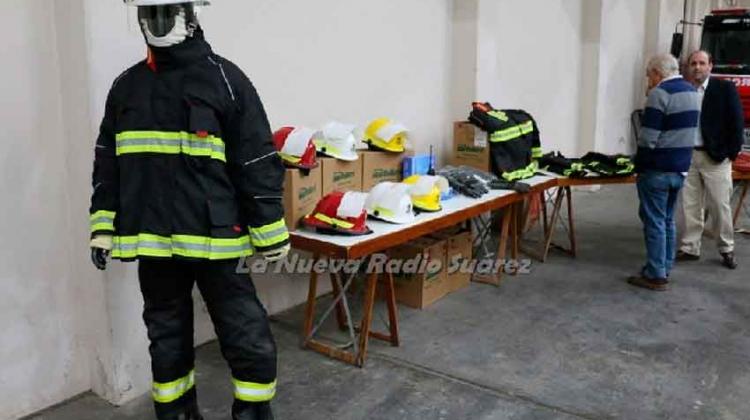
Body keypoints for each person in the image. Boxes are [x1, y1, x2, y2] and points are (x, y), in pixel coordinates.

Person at [88, 1, 289, 419]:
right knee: (165, 332)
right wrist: (102, 227)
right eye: (149, 13)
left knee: (242, 328)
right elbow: (108, 163)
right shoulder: (127, 88)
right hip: (156, 242)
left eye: (167, 11)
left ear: (191, 14)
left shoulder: (225, 81)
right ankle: (176, 410)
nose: (157, 22)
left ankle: (252, 410)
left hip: (218, 240)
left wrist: (270, 229)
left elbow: (255, 160)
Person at [629, 53, 700, 291]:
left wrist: (638, 165)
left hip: (657, 169)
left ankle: (656, 274)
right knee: (667, 220)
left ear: (657, 73)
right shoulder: (692, 91)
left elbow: (648, 138)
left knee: (654, 222)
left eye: (649, 75)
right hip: (680, 168)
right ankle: (664, 266)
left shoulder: (660, 94)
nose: (648, 80)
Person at [677, 50, 744, 269]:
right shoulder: (685, 90)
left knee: (719, 205)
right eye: (693, 63)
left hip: (716, 157)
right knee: (691, 205)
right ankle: (690, 247)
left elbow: (736, 123)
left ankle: (726, 248)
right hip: (690, 155)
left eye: (702, 63)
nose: (697, 67)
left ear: (710, 66)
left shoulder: (724, 89)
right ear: (688, 67)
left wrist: (730, 154)